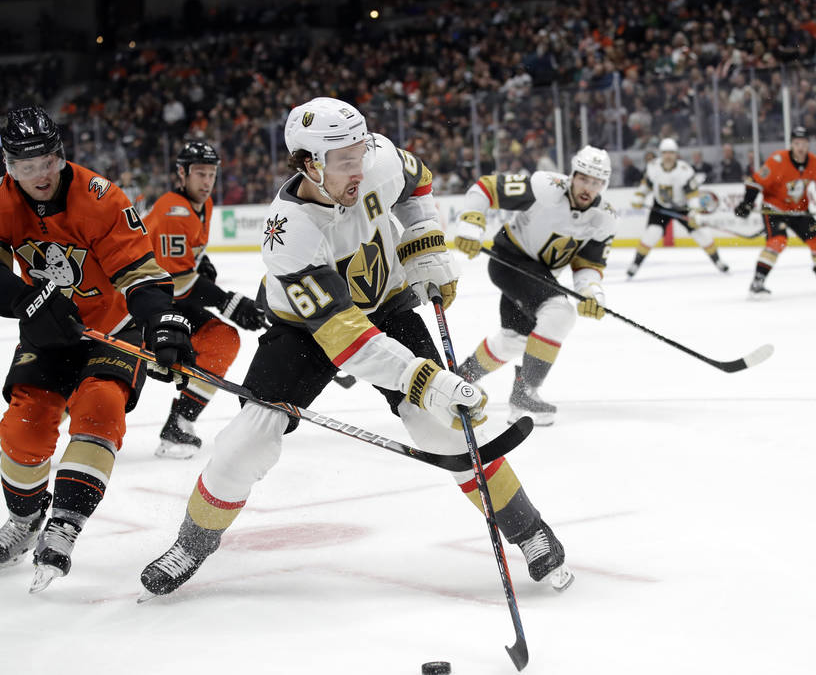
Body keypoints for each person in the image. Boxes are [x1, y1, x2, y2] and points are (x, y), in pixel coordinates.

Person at [139, 97, 572, 599]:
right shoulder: (287, 233)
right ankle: (192, 543)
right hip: (307, 330)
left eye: (360, 150)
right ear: (308, 164)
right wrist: (423, 379)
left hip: (386, 305)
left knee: (442, 426)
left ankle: (529, 530)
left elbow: (419, 181)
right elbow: (344, 337)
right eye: (344, 160)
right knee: (249, 437)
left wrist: (424, 241)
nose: (359, 166)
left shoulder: (378, 159)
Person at [0, 106, 194, 591]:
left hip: (113, 327)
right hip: (47, 329)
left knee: (100, 409)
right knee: (25, 428)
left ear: (60, 154)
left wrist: (161, 322)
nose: (41, 174)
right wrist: (27, 301)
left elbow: (140, 271)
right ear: (8, 165)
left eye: (48, 160)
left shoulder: (99, 197)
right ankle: (24, 522)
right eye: (27, 165)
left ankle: (65, 524)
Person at [451, 146, 615, 426]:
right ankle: (525, 394)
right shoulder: (547, 187)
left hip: (539, 274)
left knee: (514, 341)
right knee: (559, 313)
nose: (589, 187)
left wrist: (591, 292)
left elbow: (588, 265)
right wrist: (471, 220)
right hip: (509, 261)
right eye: (584, 178)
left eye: (597, 182)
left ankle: (456, 381)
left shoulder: (604, 217)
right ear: (573, 174)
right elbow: (486, 187)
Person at [143, 141, 266, 458]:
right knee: (103, 375)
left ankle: (179, 425)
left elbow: (184, 261)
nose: (207, 180)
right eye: (200, 173)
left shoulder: (205, 205)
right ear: (181, 173)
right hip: (137, 306)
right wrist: (229, 302)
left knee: (221, 340)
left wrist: (202, 261)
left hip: (168, 303)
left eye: (211, 173)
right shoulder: (172, 210)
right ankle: (27, 446)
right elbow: (179, 281)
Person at [733, 126, 816, 297]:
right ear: (791, 144)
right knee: (778, 241)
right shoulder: (777, 160)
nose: (800, 147)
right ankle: (757, 282)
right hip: (775, 209)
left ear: (808, 145)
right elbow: (755, 182)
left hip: (799, 210)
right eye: (797, 143)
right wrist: (747, 203)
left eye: (804, 143)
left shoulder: (815, 162)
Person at [627, 138, 729, 277]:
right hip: (660, 207)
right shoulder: (653, 167)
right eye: (665, 153)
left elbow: (692, 195)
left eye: (671, 153)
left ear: (676, 154)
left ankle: (718, 262)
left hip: (682, 208)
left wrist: (694, 212)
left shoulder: (685, 170)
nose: (668, 156)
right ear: (661, 154)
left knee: (702, 234)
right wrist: (639, 196)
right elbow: (646, 185)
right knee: (652, 234)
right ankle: (635, 264)